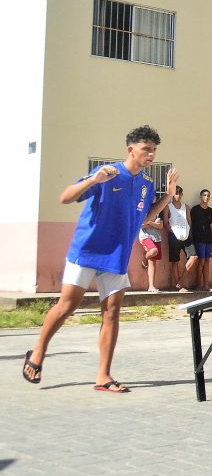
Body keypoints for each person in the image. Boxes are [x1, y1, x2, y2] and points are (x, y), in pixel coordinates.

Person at [21, 125, 178, 392]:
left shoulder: (147, 184)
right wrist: (94, 180)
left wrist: (169, 195)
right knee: (66, 306)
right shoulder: (109, 173)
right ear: (131, 149)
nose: (151, 155)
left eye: (154, 150)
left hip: (117, 256)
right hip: (87, 251)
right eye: (146, 149)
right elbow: (65, 198)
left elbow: (144, 218)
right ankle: (37, 352)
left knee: (112, 313)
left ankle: (103, 376)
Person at [162, 185, 198, 292]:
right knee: (175, 261)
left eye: (179, 194)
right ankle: (179, 286)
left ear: (182, 195)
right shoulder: (168, 207)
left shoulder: (186, 207)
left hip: (186, 236)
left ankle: (181, 281)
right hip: (174, 236)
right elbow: (165, 222)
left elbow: (189, 221)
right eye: (175, 193)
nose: (177, 196)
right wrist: (171, 231)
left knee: (194, 257)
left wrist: (190, 233)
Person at [191, 188, 212, 291]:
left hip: (208, 240)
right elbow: (191, 225)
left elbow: (211, 227)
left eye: (208, 195)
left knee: (207, 261)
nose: (206, 197)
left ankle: (206, 285)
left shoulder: (211, 211)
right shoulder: (195, 210)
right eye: (204, 195)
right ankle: (198, 285)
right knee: (201, 261)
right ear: (200, 197)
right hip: (198, 239)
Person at [138, 212, 164, 293]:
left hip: (156, 237)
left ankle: (151, 286)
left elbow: (161, 226)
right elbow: (140, 225)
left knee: (152, 262)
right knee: (153, 251)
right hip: (145, 236)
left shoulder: (158, 211)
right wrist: (154, 224)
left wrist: (149, 223)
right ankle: (145, 257)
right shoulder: (144, 209)